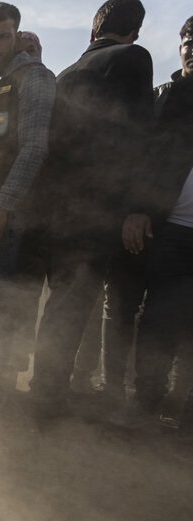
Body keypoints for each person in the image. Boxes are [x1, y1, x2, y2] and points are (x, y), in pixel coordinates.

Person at [29, 0, 154, 417]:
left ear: (92, 29)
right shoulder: (133, 58)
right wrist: (138, 207)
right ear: (134, 31)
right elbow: (138, 134)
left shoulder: (65, 74)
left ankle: (45, 387)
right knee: (79, 304)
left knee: (61, 302)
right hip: (96, 211)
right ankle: (49, 398)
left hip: (55, 211)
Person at [0, 2, 55, 407]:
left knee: (5, 305)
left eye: (3, 36)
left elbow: (34, 148)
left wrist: (2, 207)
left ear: (16, 37)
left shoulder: (33, 77)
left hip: (11, 215)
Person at [119, 15, 193, 428]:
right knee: (159, 318)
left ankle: (184, 410)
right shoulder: (165, 95)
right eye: (188, 40)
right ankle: (145, 404)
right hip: (172, 229)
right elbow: (143, 159)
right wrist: (137, 208)